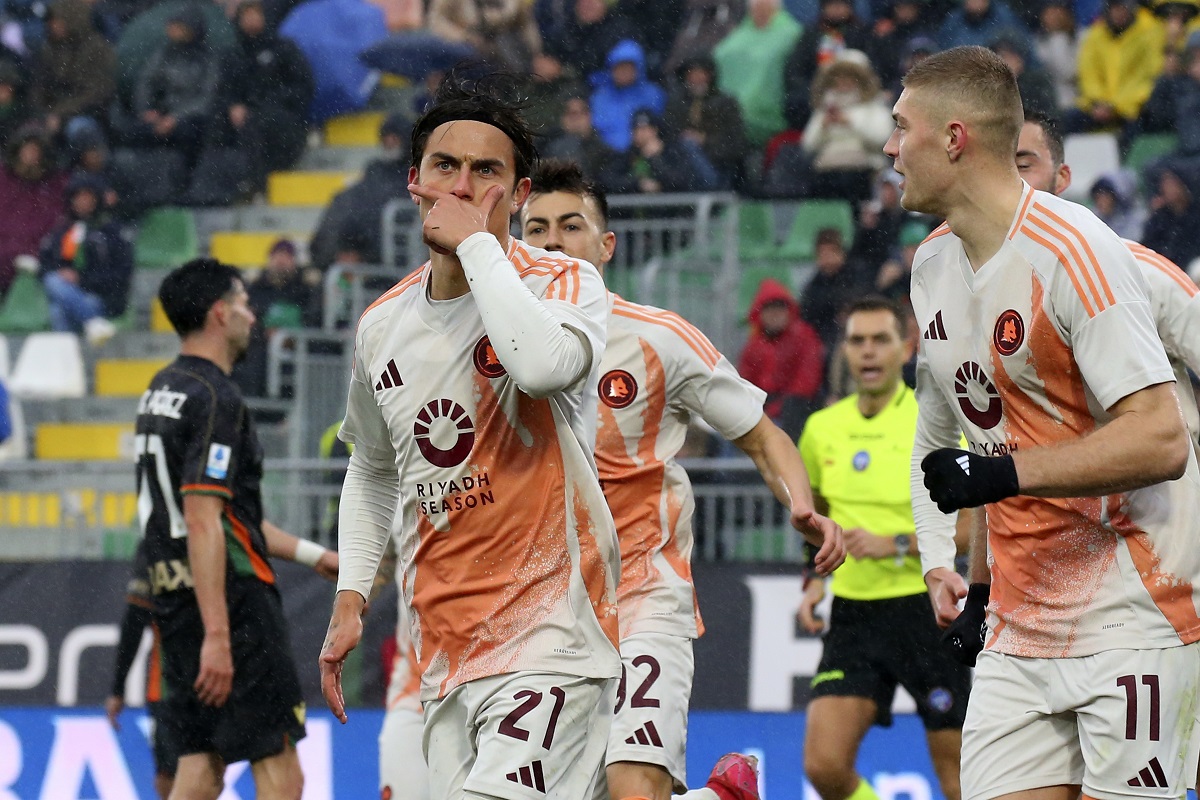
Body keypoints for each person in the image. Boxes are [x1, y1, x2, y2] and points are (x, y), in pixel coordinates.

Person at [888, 45, 1200, 799]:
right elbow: (979, 438)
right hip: (1018, 632)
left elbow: (1160, 436)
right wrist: (979, 586)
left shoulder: (1079, 251)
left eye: (901, 129)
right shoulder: (931, 267)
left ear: (954, 138)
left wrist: (1000, 475)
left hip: (1135, 616)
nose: (892, 151)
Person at [319, 72, 622, 800]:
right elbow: (373, 466)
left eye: (486, 172)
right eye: (444, 168)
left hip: (555, 627)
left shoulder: (564, 284)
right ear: (413, 181)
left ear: (520, 196)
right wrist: (352, 593)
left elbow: (542, 369)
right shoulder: (381, 327)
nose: (462, 186)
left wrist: (480, 248)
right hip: (446, 645)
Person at [519, 157, 845, 800]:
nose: (553, 242)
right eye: (535, 229)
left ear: (605, 246)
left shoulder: (660, 339)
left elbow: (761, 433)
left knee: (633, 784)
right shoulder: (494, 354)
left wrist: (801, 506)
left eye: (571, 226)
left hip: (645, 591)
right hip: (544, 605)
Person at [985, 99, 1200, 793]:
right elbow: (988, 451)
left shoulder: (1137, 270)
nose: (1013, 182)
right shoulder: (971, 291)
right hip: (1044, 600)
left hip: (1163, 575)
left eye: (1027, 164)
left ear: (1062, 176)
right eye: (1002, 165)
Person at [139, 258, 338, 800]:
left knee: (201, 763)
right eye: (245, 304)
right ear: (219, 313)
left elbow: (225, 517)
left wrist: (310, 553)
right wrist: (220, 636)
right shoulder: (216, 399)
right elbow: (205, 521)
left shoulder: (160, 390)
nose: (254, 317)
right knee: (279, 766)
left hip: (177, 605)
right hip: (231, 605)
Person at [797, 297, 970, 800]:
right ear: (845, 350)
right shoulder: (821, 429)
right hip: (854, 616)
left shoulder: (936, 420)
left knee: (958, 778)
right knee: (824, 766)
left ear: (906, 348)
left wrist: (897, 543)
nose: (868, 352)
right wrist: (814, 578)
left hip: (928, 612)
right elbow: (815, 517)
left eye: (880, 340)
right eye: (857, 341)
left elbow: (974, 527)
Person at [215, 0, 313, 191]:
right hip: (248, 116)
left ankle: (256, 184)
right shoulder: (233, 54)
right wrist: (233, 105)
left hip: (282, 118)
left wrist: (267, 103)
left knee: (258, 123)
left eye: (255, 15)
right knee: (216, 122)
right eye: (246, 16)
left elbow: (303, 86)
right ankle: (217, 184)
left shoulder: (283, 48)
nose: (251, 21)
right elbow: (225, 89)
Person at [105, 540, 176, 800]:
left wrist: (117, 690)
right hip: (174, 685)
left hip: (193, 685)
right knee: (178, 771)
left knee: (193, 770)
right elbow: (135, 622)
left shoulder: (156, 541)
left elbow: (133, 624)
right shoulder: (156, 542)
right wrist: (117, 688)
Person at [37, 172, 132, 345]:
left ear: (97, 199)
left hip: (101, 298)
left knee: (59, 300)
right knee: (54, 288)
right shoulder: (63, 230)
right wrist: (65, 275)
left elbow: (121, 274)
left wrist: (82, 279)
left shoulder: (112, 231)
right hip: (67, 293)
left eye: (88, 197)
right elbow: (46, 263)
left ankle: (87, 326)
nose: (83, 201)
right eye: (78, 197)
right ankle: (92, 324)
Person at [738, 278, 826, 439]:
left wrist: (771, 411)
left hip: (793, 411)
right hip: (763, 410)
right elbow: (746, 383)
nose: (775, 314)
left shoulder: (805, 337)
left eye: (780, 308)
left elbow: (805, 385)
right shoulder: (754, 345)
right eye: (770, 309)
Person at [712, 0, 803, 147]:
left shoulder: (791, 33)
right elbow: (721, 54)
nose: (759, 10)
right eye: (755, 6)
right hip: (730, 112)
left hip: (770, 111)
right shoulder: (740, 33)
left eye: (765, 5)